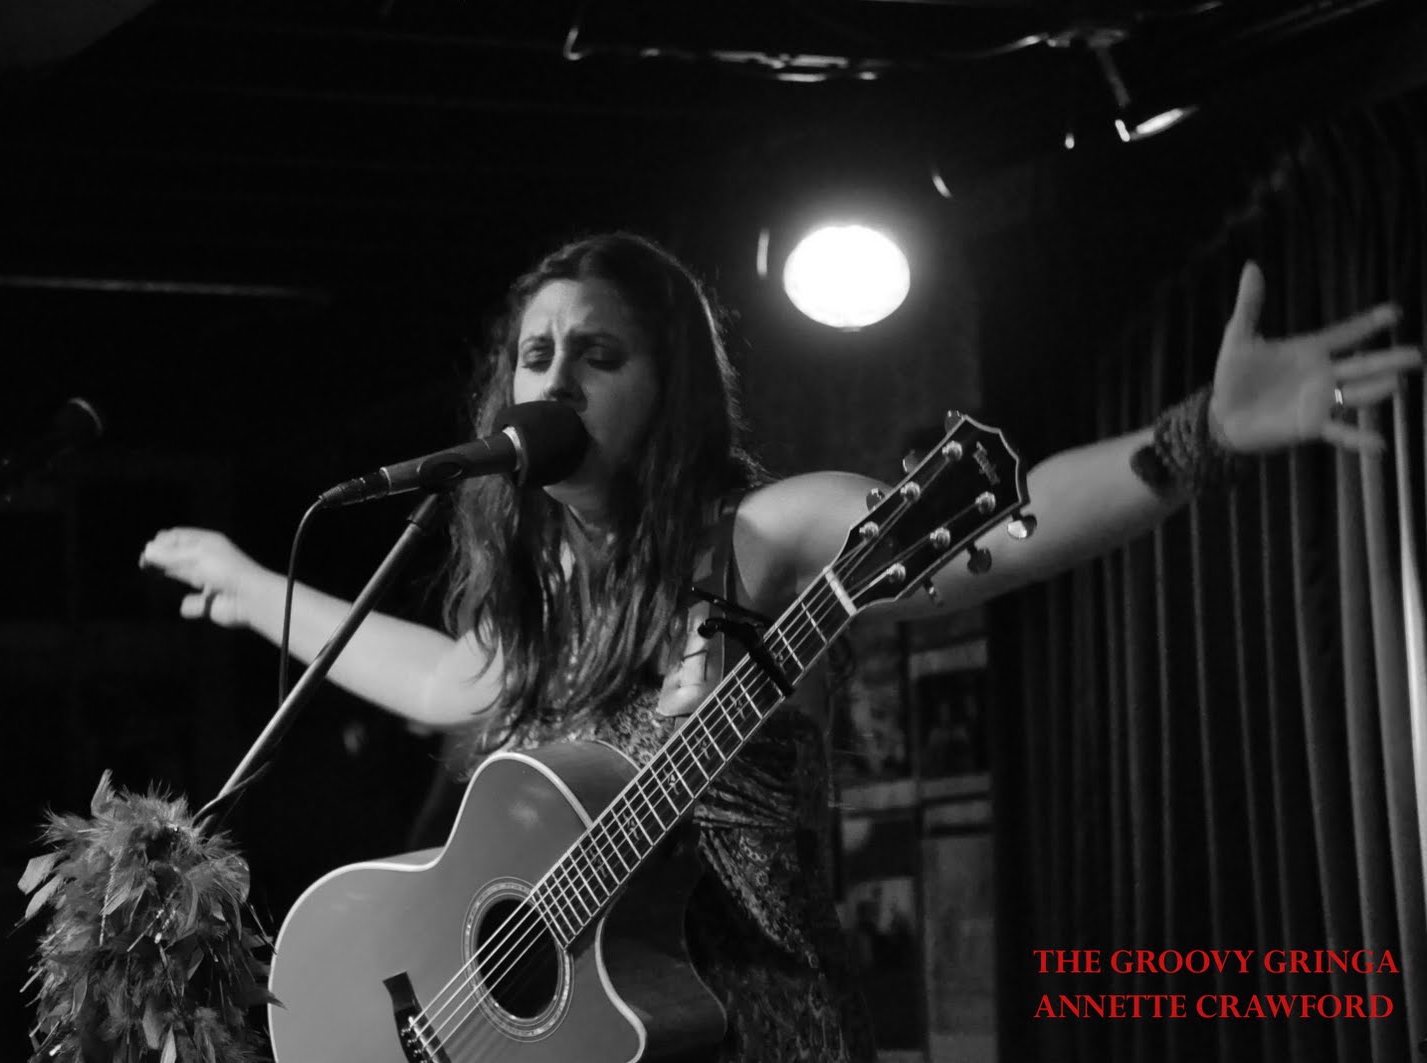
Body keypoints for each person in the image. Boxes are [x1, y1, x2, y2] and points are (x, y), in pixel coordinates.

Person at [138, 231, 1419, 1062]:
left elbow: (1004, 534)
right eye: (536, 355)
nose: (557, 379)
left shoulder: (762, 535)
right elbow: (431, 675)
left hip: (761, 1033)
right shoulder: (544, 604)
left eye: (598, 353)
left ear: (669, 386)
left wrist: (1198, 437)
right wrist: (252, 588)